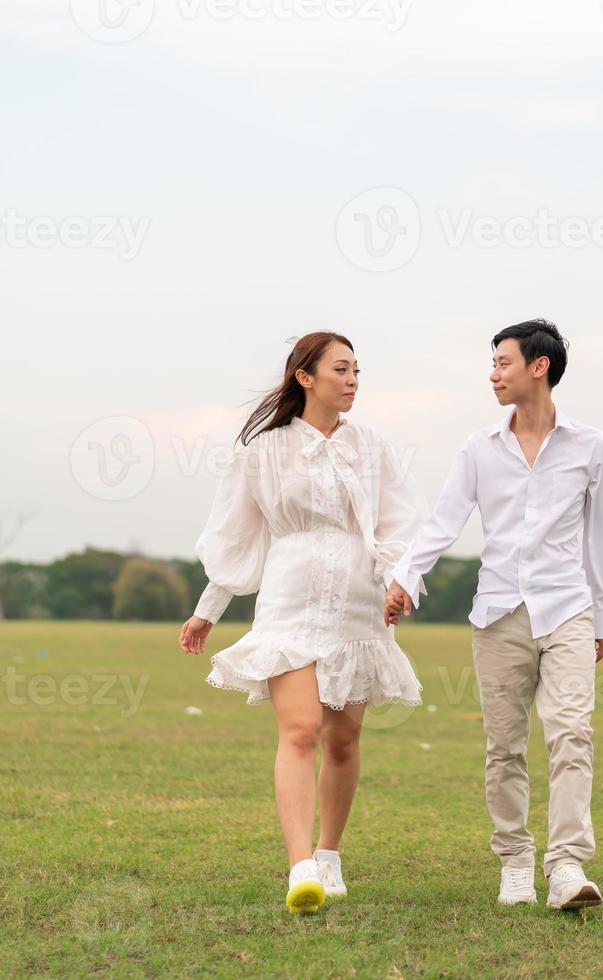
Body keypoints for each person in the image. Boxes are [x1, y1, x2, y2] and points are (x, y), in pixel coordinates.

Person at [180, 331, 424, 915]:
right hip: (289, 600)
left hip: (358, 604)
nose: (353, 380)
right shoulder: (262, 451)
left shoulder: (374, 447)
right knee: (300, 730)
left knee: (343, 738)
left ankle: (330, 852)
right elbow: (242, 536)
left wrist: (401, 584)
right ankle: (300, 867)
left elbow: (398, 524)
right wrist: (208, 609)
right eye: (341, 369)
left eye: (358, 371)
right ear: (305, 377)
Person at [386, 318, 603, 911]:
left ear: (538, 367)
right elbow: (444, 521)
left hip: (568, 608)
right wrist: (408, 578)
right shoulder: (478, 449)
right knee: (505, 746)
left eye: (502, 363)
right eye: (492, 365)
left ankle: (566, 866)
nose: (493, 375)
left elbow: (601, 536)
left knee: (572, 733)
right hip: (498, 613)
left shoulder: (590, 445)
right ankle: (514, 861)